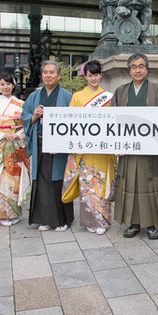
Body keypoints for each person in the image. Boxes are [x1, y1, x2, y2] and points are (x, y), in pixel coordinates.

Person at [111, 52, 158, 239]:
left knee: (151, 185)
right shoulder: (120, 91)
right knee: (130, 185)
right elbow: (113, 121)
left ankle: (151, 224)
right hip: (128, 150)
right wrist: (116, 145)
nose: (138, 70)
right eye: (134, 66)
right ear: (129, 70)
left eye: (141, 66)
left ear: (147, 68)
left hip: (150, 151)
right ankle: (133, 223)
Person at [62, 60, 116, 234]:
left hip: (102, 148)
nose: (93, 78)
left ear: (101, 75)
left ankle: (102, 221)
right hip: (85, 148)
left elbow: (113, 122)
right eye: (90, 75)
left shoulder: (108, 96)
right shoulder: (77, 97)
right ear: (85, 76)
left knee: (101, 183)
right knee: (87, 185)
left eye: (96, 75)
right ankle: (88, 221)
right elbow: (72, 122)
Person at [22, 60, 74, 231]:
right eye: (45, 72)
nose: (48, 75)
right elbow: (25, 115)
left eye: (52, 72)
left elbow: (73, 121)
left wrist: (63, 144)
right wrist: (34, 116)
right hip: (40, 143)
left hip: (59, 147)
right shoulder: (34, 96)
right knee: (42, 181)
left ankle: (62, 220)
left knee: (58, 180)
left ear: (58, 75)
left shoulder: (67, 96)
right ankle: (44, 219)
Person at [0, 73, 31, 227]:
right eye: (2, 84)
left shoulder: (21, 103)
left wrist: (17, 135)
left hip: (15, 146)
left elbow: (26, 124)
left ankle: (15, 212)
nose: (5, 87)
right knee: (0, 179)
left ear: (13, 85)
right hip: (1, 145)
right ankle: (2, 214)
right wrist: (2, 134)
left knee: (15, 180)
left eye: (8, 84)